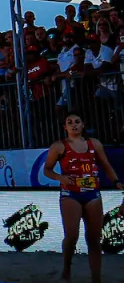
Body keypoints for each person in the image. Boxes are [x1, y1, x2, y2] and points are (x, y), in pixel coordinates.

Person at [42, 113, 121, 282]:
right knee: (72, 236)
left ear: (83, 124)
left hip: (93, 193)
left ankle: (96, 278)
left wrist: (116, 182)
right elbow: (47, 169)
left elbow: (106, 165)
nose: (74, 125)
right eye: (69, 122)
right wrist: (60, 178)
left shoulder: (94, 144)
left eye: (77, 121)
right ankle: (67, 267)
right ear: (65, 127)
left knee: (94, 239)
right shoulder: (58, 146)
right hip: (70, 194)